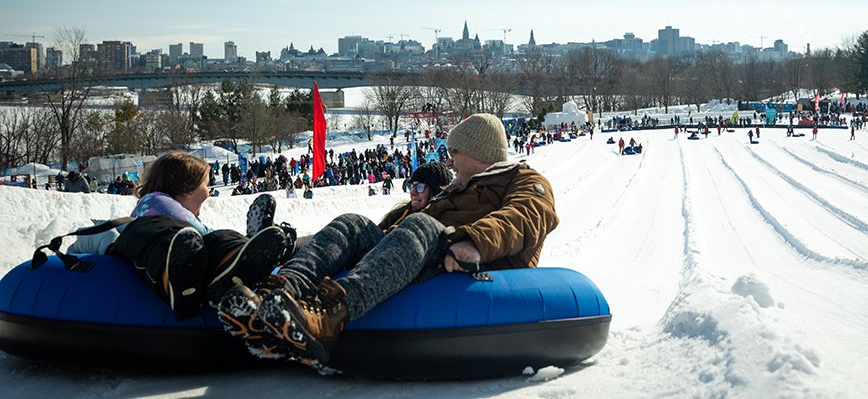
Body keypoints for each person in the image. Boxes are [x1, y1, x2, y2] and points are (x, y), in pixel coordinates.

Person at [217, 113, 558, 370]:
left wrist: (475, 241)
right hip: (418, 250)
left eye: (455, 150)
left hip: (467, 260)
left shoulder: (523, 179)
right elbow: (397, 228)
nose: (449, 157)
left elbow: (528, 216)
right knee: (352, 224)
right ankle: (273, 300)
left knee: (421, 225)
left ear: (478, 151)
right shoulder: (456, 187)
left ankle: (327, 317)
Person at [110, 151, 293, 321]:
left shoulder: (149, 214)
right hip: (171, 259)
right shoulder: (154, 217)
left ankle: (243, 255)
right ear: (186, 187)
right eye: (205, 184)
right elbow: (201, 236)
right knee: (212, 240)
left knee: (216, 239)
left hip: (186, 257)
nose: (208, 191)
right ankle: (243, 254)